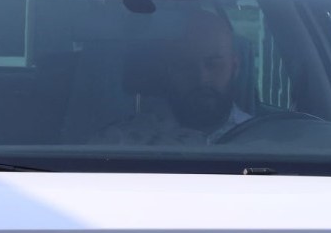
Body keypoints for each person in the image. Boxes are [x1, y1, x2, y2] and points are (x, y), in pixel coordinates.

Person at [96, 8, 251, 145]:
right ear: (168, 70)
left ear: (234, 68)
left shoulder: (262, 138)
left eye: (213, 64)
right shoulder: (119, 142)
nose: (201, 78)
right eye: (185, 66)